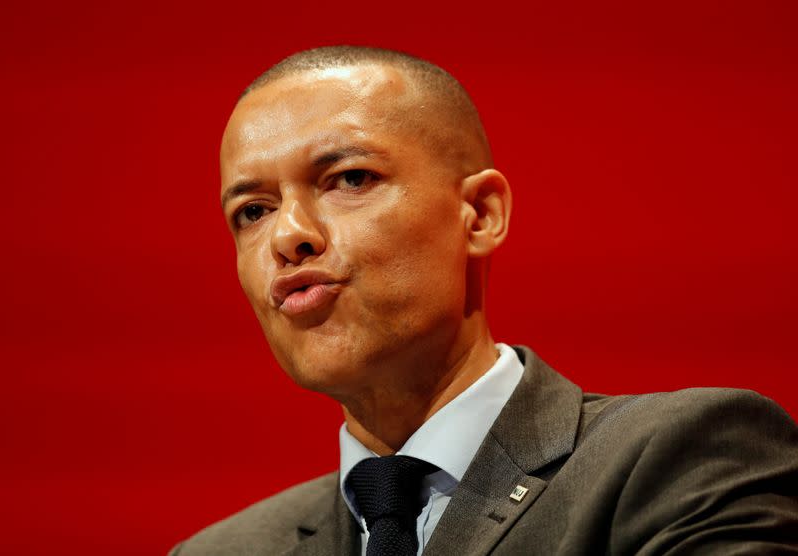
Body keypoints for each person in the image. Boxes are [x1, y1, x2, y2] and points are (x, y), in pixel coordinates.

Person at [170, 46, 798, 555]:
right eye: (252, 211)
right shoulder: (222, 550)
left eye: (350, 179)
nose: (287, 236)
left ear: (479, 214)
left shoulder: (682, 462)